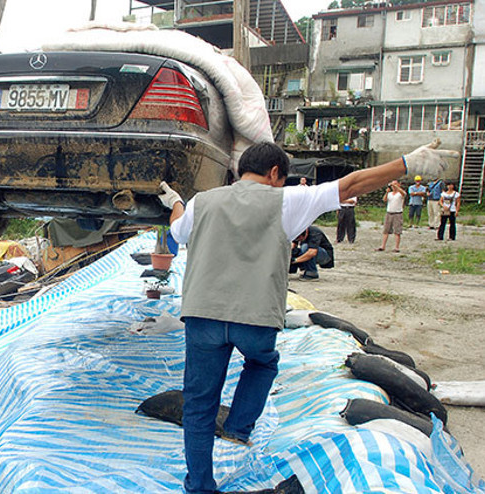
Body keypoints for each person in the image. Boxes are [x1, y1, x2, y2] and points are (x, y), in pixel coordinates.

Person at [157, 139, 455, 494]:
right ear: (274, 174)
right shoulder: (286, 200)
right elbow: (353, 184)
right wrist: (407, 163)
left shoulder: (201, 202)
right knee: (263, 363)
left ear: (240, 171)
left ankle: (200, 486)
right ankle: (239, 426)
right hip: (255, 319)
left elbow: (176, 231)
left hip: (202, 317)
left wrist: (175, 200)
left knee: (199, 405)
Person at [376, 180, 406, 252]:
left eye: (395, 184)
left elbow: (403, 194)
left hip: (397, 213)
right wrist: (386, 192)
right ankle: (383, 246)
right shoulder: (390, 194)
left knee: (397, 231)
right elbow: (384, 199)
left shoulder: (400, 194)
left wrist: (396, 186)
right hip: (389, 212)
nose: (393, 186)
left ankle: (397, 247)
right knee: (386, 230)